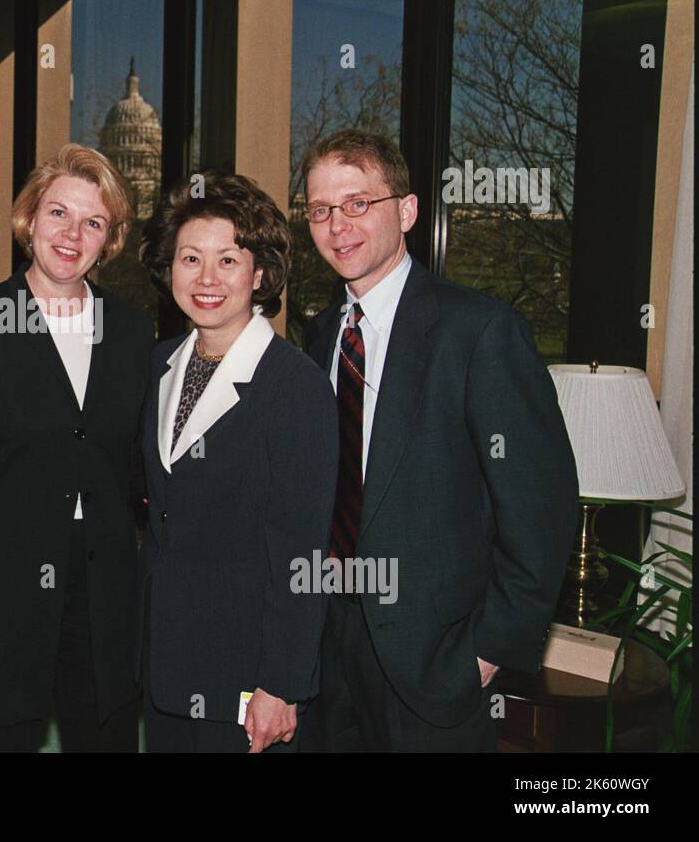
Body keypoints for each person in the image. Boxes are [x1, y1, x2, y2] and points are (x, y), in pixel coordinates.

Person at [296, 128, 578, 752]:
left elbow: (541, 506)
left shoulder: (480, 332)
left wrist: (488, 650)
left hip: (434, 663)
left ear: (408, 211)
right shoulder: (319, 337)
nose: (338, 225)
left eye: (357, 203)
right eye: (320, 209)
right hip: (328, 652)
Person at [0, 143, 152, 752]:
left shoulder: (131, 333)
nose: (72, 234)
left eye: (93, 222)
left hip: (103, 604)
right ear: (29, 220)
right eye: (58, 214)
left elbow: (139, 475)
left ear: (109, 239)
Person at [136, 173, 337, 753]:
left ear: (261, 274)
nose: (206, 278)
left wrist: (283, 685)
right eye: (190, 258)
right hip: (164, 666)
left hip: (249, 681)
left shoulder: (294, 386)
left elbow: (303, 551)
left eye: (228, 259)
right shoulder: (159, 365)